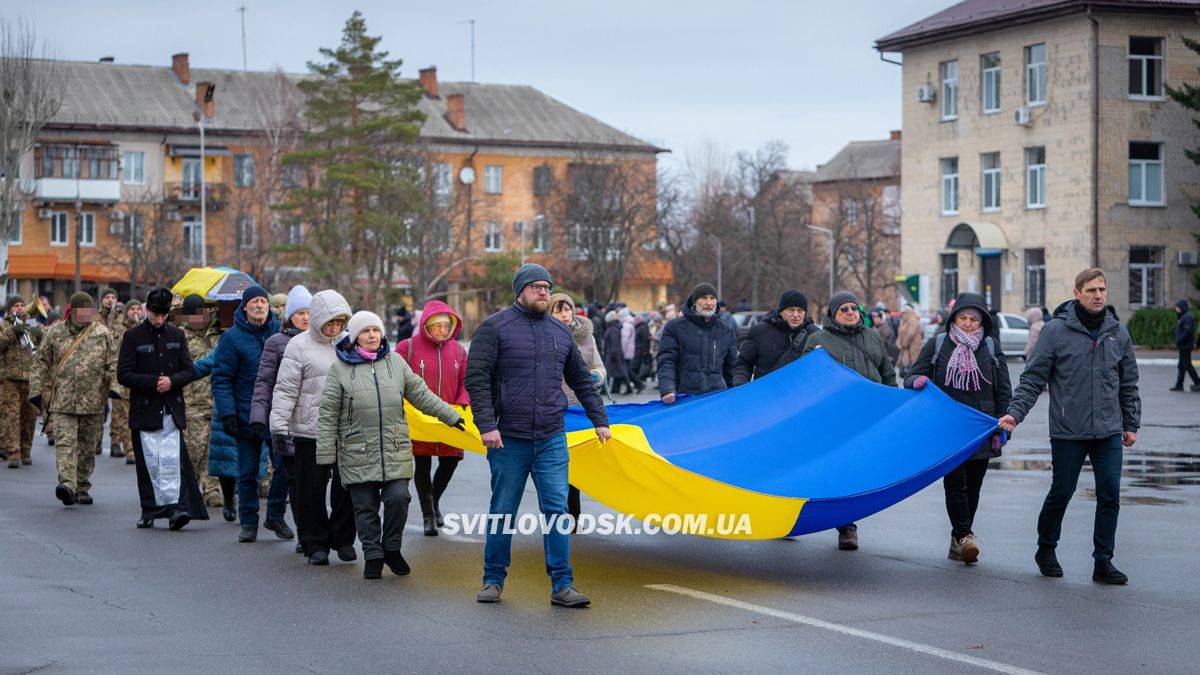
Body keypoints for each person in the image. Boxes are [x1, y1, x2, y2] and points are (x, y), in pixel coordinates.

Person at [466, 263, 610, 607]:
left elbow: (580, 379)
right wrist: (486, 425)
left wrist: (599, 420)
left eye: (547, 287)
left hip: (551, 436)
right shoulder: (494, 328)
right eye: (535, 287)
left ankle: (562, 585)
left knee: (557, 511)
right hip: (508, 438)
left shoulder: (561, 333)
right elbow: (477, 380)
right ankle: (493, 579)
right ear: (520, 291)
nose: (543, 292)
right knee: (503, 509)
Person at [999, 268, 1141, 585]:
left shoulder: (1117, 332)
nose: (1098, 295)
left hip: (1108, 431)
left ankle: (1103, 561)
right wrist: (1015, 414)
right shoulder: (1055, 332)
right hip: (1068, 430)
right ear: (1077, 293)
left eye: (1102, 289)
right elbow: (1033, 379)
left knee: (1109, 494)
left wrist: (1130, 423)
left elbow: (1129, 383)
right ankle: (1046, 548)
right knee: (1061, 492)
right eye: (1091, 290)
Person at [318, 311, 465, 579]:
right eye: (365, 331)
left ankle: (392, 548)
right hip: (357, 451)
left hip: (395, 448)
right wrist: (326, 455)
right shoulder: (340, 369)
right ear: (355, 337)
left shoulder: (395, 362)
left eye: (376, 330)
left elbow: (421, 394)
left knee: (398, 498)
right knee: (365, 507)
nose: (372, 335)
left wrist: (451, 416)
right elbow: (328, 414)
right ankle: (373, 554)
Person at [906, 293, 1011, 564]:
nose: (967, 324)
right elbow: (911, 375)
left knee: (973, 487)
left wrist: (1004, 423)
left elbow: (1004, 390)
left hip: (981, 427)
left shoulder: (990, 346)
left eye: (973, 319)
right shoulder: (938, 344)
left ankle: (957, 538)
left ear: (982, 322)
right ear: (953, 319)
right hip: (948, 426)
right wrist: (918, 380)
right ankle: (965, 535)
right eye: (963, 318)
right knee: (955, 484)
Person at [801, 290, 896, 551]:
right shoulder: (818, 340)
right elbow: (807, 381)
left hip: (870, 418)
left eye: (854, 308)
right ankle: (847, 528)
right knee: (841, 471)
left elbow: (887, 373)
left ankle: (849, 519)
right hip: (837, 420)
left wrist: (894, 404)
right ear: (833, 314)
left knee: (862, 471)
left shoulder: (873, 337)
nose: (851, 313)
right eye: (844, 309)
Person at [270, 290, 358, 565]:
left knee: (348, 486)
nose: (335, 328)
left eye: (340, 322)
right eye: (330, 322)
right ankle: (314, 543)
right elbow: (285, 389)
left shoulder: (348, 343)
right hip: (309, 429)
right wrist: (280, 427)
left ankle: (342, 538)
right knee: (311, 488)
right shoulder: (298, 345)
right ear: (319, 319)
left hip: (345, 430)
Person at [117, 287, 207, 530]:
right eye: (155, 314)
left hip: (170, 408)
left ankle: (177, 509)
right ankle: (149, 510)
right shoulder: (132, 337)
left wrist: (172, 381)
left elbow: (188, 370)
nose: (159, 320)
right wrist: (152, 383)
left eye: (163, 315)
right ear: (147, 310)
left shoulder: (177, 335)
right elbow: (123, 374)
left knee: (172, 461)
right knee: (148, 462)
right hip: (145, 408)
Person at [210, 286, 291, 543]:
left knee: (284, 468)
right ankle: (248, 522)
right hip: (245, 415)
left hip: (277, 414)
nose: (259, 305)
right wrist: (228, 414)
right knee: (247, 472)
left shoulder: (280, 334)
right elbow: (221, 378)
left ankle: (275, 514)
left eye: (263, 301)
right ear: (244, 307)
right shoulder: (232, 338)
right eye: (254, 302)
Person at [29, 292, 119, 506]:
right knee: (65, 444)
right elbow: (40, 362)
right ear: (73, 311)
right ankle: (67, 485)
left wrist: (115, 388)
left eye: (88, 311)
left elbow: (113, 363)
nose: (85, 315)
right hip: (63, 402)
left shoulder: (102, 333)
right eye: (81, 311)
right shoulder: (55, 333)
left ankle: (82, 486)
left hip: (92, 402)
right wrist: (36, 390)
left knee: (87, 448)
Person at [397, 300, 470, 537]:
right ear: (426, 325)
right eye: (437, 326)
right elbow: (396, 378)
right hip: (420, 419)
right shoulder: (407, 347)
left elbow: (465, 382)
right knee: (423, 464)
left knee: (451, 461)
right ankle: (428, 514)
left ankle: (434, 501)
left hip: (450, 418)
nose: (442, 331)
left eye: (446, 326)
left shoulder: (459, 351)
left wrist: (461, 403)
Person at [248, 285, 311, 546]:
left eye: (310, 313)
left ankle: (276, 515)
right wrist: (258, 417)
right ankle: (304, 534)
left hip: (315, 421)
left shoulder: (325, 341)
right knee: (291, 476)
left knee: (306, 480)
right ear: (289, 316)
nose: (306, 318)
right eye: (300, 313)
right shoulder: (276, 342)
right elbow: (263, 383)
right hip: (284, 420)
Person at [550, 293, 606, 525]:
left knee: (575, 464)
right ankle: (559, 513)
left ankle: (573, 515)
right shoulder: (545, 335)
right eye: (558, 310)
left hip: (580, 409)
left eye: (568, 309)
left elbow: (600, 367)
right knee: (557, 463)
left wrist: (596, 376)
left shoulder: (587, 337)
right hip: (555, 409)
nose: (564, 315)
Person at [656, 283, 738, 404]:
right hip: (685, 399)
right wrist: (667, 389)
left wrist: (735, 396)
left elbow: (731, 369)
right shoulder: (674, 328)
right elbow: (666, 361)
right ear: (694, 302)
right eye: (704, 298)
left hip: (716, 399)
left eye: (712, 298)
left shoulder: (726, 331)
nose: (709, 303)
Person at [180, 295, 224, 509]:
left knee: (213, 450)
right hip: (191, 402)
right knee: (193, 450)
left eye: (202, 312)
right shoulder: (181, 337)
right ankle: (190, 489)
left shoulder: (218, 335)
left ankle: (212, 490)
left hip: (216, 401)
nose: (200, 317)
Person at [732, 289, 818, 386]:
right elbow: (744, 364)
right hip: (766, 395)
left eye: (800, 310)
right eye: (791, 310)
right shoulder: (760, 332)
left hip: (801, 396)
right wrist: (741, 386)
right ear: (781, 311)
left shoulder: (814, 335)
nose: (795, 315)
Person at [1, 296, 38, 468]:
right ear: (9, 309)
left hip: (30, 378)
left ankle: (26, 450)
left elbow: (41, 348)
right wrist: (13, 332)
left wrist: (40, 335)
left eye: (22, 305)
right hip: (9, 378)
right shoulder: (3, 325)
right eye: (16, 305)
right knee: (11, 417)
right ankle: (13, 453)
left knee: (29, 417)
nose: (20, 308)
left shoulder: (31, 324)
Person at [96, 288, 132, 460]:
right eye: (107, 297)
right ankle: (96, 439)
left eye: (113, 297)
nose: (110, 300)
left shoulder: (121, 317)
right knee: (98, 406)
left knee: (119, 406)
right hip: (98, 368)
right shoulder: (96, 318)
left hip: (117, 366)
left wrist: (117, 316)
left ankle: (116, 442)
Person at [1170, 300, 1199, 392]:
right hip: (1183, 345)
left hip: (1185, 346)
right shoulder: (1183, 317)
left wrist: (1179, 340)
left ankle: (1197, 382)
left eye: (1177, 307)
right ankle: (1179, 384)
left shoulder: (1186, 317)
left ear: (1182, 307)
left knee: (1187, 365)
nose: (1176, 309)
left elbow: (1188, 331)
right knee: (1182, 365)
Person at [602, 311, 632, 395]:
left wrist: (613, 354)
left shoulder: (612, 329)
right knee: (620, 371)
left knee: (612, 371)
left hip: (613, 353)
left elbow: (614, 342)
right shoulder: (615, 327)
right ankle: (618, 388)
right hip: (616, 352)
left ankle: (605, 389)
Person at [896, 305, 922, 377]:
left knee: (911, 366)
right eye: (902, 313)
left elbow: (911, 333)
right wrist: (898, 342)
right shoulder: (903, 321)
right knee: (903, 369)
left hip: (912, 347)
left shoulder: (913, 319)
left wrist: (904, 343)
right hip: (905, 348)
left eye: (904, 313)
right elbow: (900, 332)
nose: (902, 315)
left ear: (908, 313)